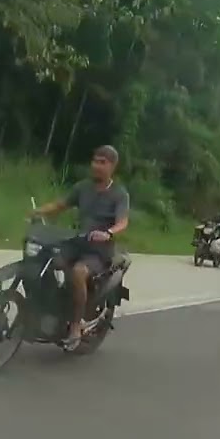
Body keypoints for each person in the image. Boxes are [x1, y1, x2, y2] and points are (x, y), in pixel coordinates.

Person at [30, 145, 130, 349]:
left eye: (103, 162)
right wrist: (38, 212)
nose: (97, 166)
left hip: (100, 250)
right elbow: (60, 205)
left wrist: (108, 233)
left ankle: (76, 325)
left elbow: (122, 222)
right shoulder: (83, 187)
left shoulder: (119, 194)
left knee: (78, 272)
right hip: (79, 241)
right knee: (49, 260)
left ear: (113, 166)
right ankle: (51, 309)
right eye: (95, 160)